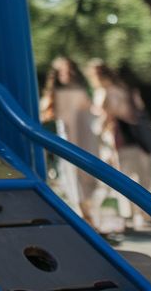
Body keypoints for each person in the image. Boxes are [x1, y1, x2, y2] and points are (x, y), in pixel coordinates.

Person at [85, 59, 151, 232]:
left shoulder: (103, 92)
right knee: (140, 176)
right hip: (137, 137)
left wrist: (96, 132)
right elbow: (139, 109)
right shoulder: (126, 89)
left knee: (122, 178)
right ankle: (140, 214)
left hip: (117, 139)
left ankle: (128, 216)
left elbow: (105, 117)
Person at [39, 56, 100, 225]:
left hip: (86, 136)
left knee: (88, 174)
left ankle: (89, 213)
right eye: (62, 70)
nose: (66, 73)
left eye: (69, 69)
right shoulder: (55, 94)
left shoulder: (81, 90)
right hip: (68, 137)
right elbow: (45, 113)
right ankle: (84, 214)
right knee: (73, 174)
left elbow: (91, 111)